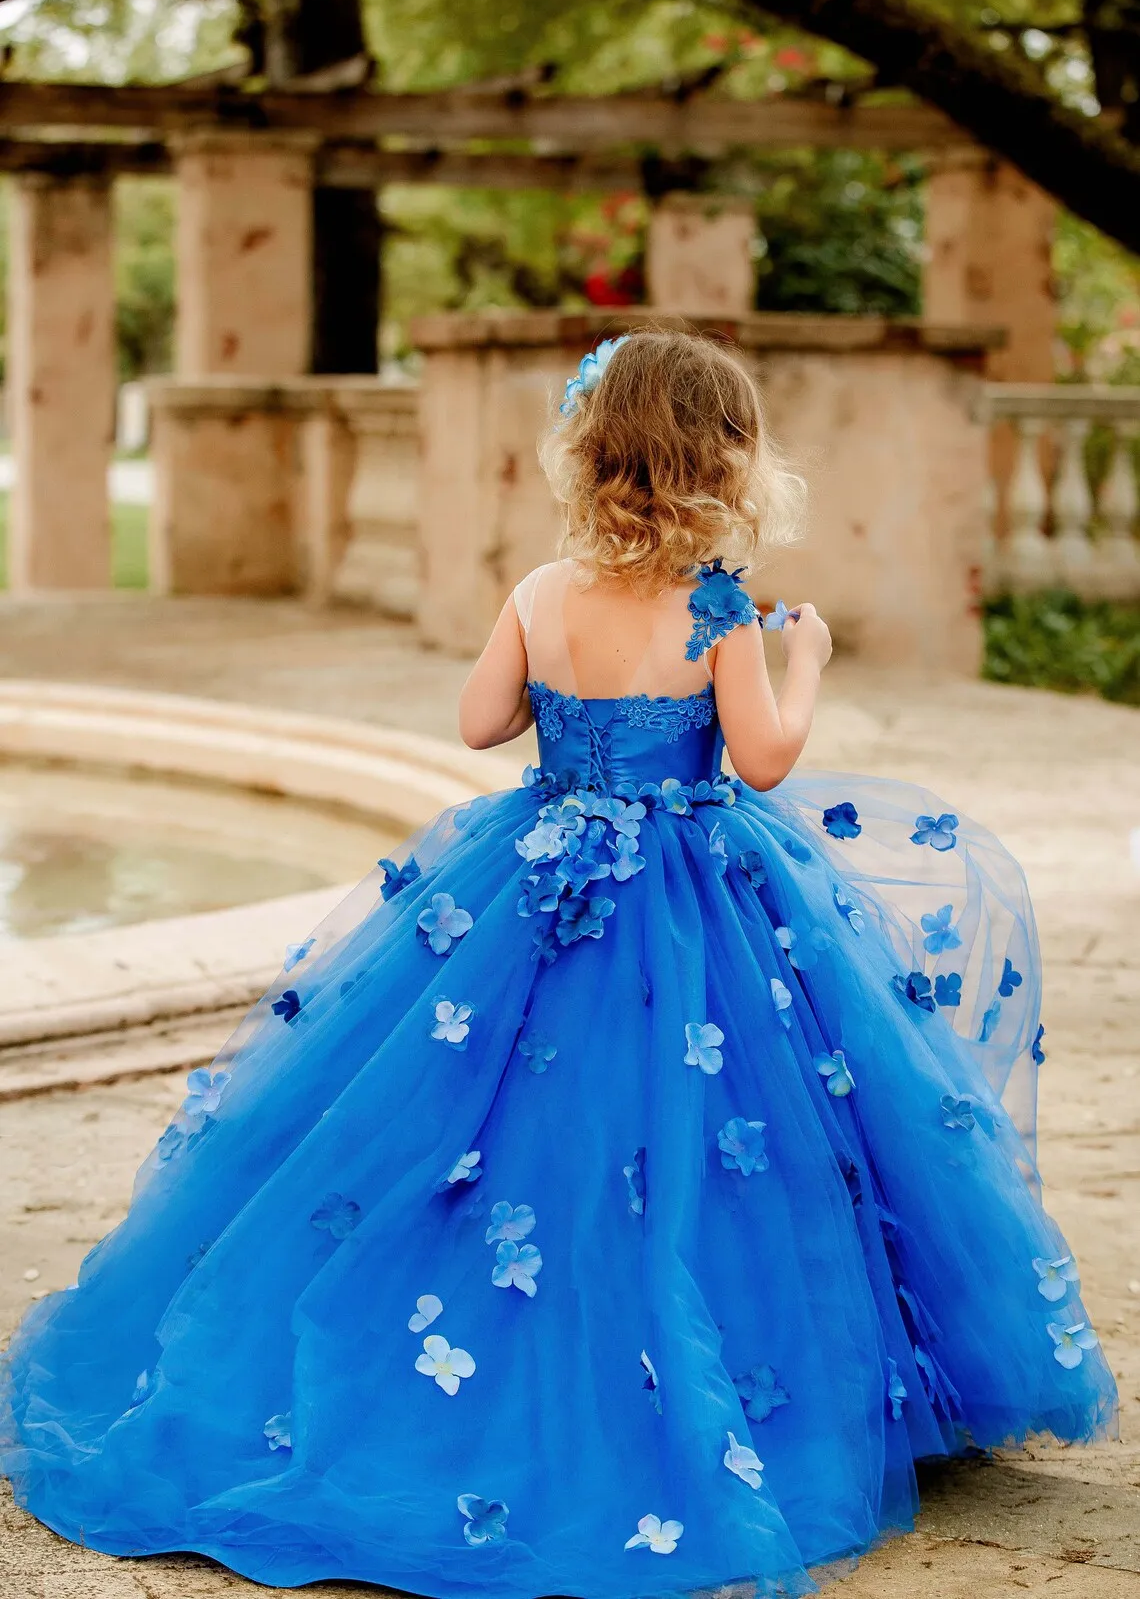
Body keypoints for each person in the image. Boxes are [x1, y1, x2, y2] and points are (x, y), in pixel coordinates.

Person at [1, 329, 1117, 1597]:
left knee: (473, 1124)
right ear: (725, 460)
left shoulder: (541, 590)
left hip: (533, 879)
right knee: (725, 1134)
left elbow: (481, 724)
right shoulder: (720, 605)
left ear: (590, 452)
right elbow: (761, 762)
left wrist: (562, 698)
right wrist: (800, 662)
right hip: (702, 902)